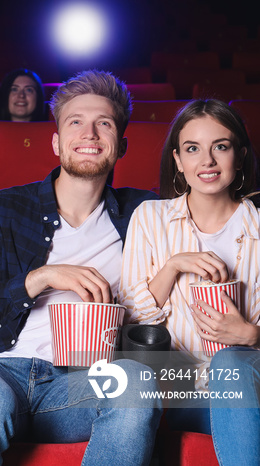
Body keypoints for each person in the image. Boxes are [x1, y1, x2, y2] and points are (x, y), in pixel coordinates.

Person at [0, 70, 163, 465]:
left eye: (105, 123)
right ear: (57, 142)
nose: (90, 133)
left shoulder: (145, 215)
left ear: (122, 145)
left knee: (136, 384)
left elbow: (215, 200)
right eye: (76, 122)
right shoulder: (0, 210)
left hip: (78, 386)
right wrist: (40, 278)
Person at [120, 99, 259, 466]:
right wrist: (173, 267)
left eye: (221, 146)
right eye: (193, 149)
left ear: (240, 156)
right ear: (178, 161)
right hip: (179, 388)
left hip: (250, 383)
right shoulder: (150, 218)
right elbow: (132, 323)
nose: (207, 161)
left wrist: (250, 336)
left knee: (233, 362)